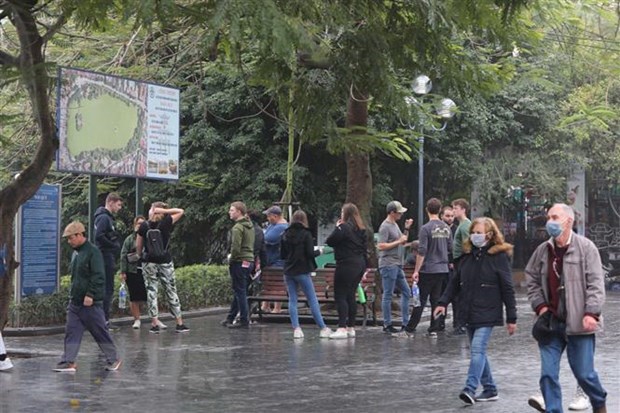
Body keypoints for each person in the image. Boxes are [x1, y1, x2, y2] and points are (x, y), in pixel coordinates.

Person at [525, 203, 607, 413]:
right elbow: (531, 278)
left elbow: (596, 285)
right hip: (550, 323)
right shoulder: (543, 250)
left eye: (554, 217)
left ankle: (598, 402)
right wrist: (540, 306)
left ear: (568, 221)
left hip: (579, 323)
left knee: (584, 374)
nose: (549, 221)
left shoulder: (586, 248)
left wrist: (591, 313)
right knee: (548, 374)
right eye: (548, 217)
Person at [434, 217, 517, 405]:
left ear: (489, 235)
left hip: (488, 311)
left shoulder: (499, 257)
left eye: (479, 233)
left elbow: (507, 288)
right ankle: (490, 389)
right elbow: (455, 283)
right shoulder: (466, 257)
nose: (475, 236)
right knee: (478, 351)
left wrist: (512, 317)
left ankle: (470, 388)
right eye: (473, 232)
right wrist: (442, 302)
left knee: (478, 349)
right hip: (469, 310)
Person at [53, 221, 122, 372]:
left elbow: (98, 276)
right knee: (72, 331)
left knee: (100, 332)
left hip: (90, 303)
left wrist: (90, 294)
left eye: (71, 238)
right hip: (76, 302)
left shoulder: (93, 252)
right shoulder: (76, 253)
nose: (69, 241)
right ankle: (68, 361)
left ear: (79, 235)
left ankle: (113, 359)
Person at [136, 202, 189, 334]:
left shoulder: (144, 226)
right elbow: (181, 210)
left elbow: (138, 246)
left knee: (151, 292)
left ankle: (154, 324)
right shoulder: (167, 222)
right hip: (165, 260)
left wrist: (139, 256)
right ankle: (179, 323)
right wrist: (166, 211)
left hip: (149, 262)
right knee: (171, 290)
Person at [280, 210, 331, 339]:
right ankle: (323, 327)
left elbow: (283, 255)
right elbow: (309, 253)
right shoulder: (306, 234)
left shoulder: (285, 234)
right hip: (302, 270)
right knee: (312, 299)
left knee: (292, 299)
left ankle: (296, 329)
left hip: (288, 271)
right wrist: (319, 252)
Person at [405, 198, 452, 336]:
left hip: (428, 269)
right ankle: (434, 328)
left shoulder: (425, 228)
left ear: (427, 210)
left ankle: (410, 328)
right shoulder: (446, 228)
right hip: (442, 269)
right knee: (436, 299)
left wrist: (416, 270)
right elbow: (450, 248)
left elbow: (422, 251)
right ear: (440, 210)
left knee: (421, 299)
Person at [326, 203, 368, 339]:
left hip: (346, 264)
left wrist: (337, 226)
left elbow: (330, 241)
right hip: (359, 264)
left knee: (340, 295)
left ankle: (342, 327)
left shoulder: (343, 228)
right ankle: (351, 326)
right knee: (351, 294)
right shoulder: (361, 229)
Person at [378, 200, 413, 334]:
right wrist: (398, 241)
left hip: (397, 263)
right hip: (388, 264)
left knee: (406, 291)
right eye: (399, 212)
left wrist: (407, 228)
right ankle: (387, 324)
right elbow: (381, 245)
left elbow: (402, 240)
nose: (401, 214)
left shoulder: (395, 225)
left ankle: (405, 323)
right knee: (388, 294)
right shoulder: (385, 226)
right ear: (392, 213)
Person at [221, 201, 255, 329]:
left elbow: (235, 247)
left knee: (240, 291)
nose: (229, 212)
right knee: (240, 289)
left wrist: (231, 259)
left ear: (239, 212)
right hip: (249, 261)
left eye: (232, 210)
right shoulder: (249, 226)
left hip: (239, 261)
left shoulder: (237, 228)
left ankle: (244, 320)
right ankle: (231, 316)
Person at [94, 192, 123, 324]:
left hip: (106, 254)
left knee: (107, 287)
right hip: (105, 255)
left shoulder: (106, 218)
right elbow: (99, 236)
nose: (119, 208)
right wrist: (113, 245)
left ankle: (103, 318)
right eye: (118, 204)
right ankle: (104, 319)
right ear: (110, 202)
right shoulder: (104, 218)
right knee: (107, 288)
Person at [441, 204, 465, 335]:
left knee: (456, 297)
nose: (450, 218)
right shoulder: (439, 229)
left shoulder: (458, 229)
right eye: (447, 216)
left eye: (451, 216)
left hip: (454, 267)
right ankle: (440, 322)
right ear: (442, 216)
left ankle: (458, 323)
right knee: (442, 295)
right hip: (442, 267)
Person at [120, 215, 148, 329]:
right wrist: (123, 272)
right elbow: (123, 255)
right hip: (132, 270)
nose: (140, 226)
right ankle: (137, 319)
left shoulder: (149, 236)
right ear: (134, 225)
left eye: (143, 223)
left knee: (148, 295)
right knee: (134, 297)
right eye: (138, 223)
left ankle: (154, 318)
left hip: (147, 270)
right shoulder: (129, 239)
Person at [261, 206, 288, 313]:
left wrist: (263, 235)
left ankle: (277, 308)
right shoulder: (273, 225)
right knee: (268, 283)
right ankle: (265, 305)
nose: (267, 218)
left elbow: (266, 238)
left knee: (276, 284)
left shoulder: (281, 227)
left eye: (269, 216)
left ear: (275, 216)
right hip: (270, 260)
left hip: (277, 261)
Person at [451, 198, 471, 263]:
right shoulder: (461, 224)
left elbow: (467, 245)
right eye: (453, 208)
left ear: (463, 210)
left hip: (462, 260)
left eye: (456, 208)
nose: (453, 211)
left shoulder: (465, 225)